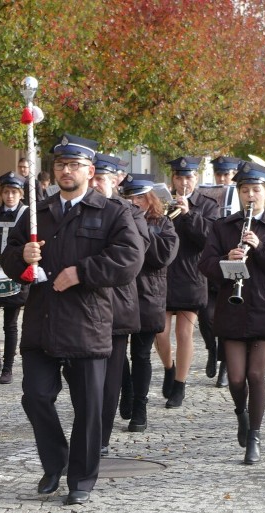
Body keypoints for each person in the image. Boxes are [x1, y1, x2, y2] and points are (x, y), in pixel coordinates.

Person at [0, 133, 143, 506]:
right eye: (61, 165)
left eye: (75, 165)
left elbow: (129, 259)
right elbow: (9, 257)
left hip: (87, 322)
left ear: (89, 170)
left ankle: (81, 478)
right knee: (35, 397)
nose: (67, 171)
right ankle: (55, 461)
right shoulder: (38, 212)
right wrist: (22, 256)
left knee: (89, 407)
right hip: (42, 321)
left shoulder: (113, 212)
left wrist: (82, 272)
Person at [199, 161, 265, 463]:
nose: (250, 195)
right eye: (244, 190)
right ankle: (241, 415)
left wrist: (260, 247)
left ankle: (254, 438)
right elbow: (205, 265)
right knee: (235, 378)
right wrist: (225, 260)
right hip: (233, 309)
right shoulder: (223, 227)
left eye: (256, 190)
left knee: (256, 373)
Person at [90, 153, 150, 457]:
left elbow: (138, 254)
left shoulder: (131, 212)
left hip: (116, 304)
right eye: (94, 178)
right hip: (81, 305)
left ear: (117, 181)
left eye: (102, 178)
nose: (96, 184)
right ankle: (89, 424)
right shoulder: (80, 208)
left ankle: (100, 435)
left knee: (111, 373)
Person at [155, 156, 219, 408]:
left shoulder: (207, 205)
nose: (184, 182)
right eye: (179, 177)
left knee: (184, 333)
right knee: (160, 333)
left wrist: (189, 214)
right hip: (164, 275)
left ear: (196, 178)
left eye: (188, 177)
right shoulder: (161, 201)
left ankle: (180, 384)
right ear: (172, 178)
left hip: (192, 276)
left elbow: (209, 239)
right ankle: (169, 368)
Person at [120, 174, 179, 433]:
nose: (135, 202)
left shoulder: (163, 224)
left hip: (148, 297)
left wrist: (139, 228)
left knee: (141, 354)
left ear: (150, 199)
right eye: (130, 197)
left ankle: (140, 408)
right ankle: (126, 392)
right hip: (121, 297)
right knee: (117, 353)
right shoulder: (118, 221)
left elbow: (163, 256)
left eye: (140, 197)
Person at [0, 171, 30, 384]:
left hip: (16, 273)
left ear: (21, 194)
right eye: (6, 192)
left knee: (10, 324)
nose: (10, 196)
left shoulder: (28, 214)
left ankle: (8, 367)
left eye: (14, 192)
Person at [199, 155, 241, 388]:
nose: (223, 179)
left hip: (235, 264)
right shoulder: (208, 197)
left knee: (227, 317)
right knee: (206, 315)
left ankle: (225, 365)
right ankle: (211, 349)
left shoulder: (242, 196)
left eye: (227, 174)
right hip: (215, 261)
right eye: (220, 174)